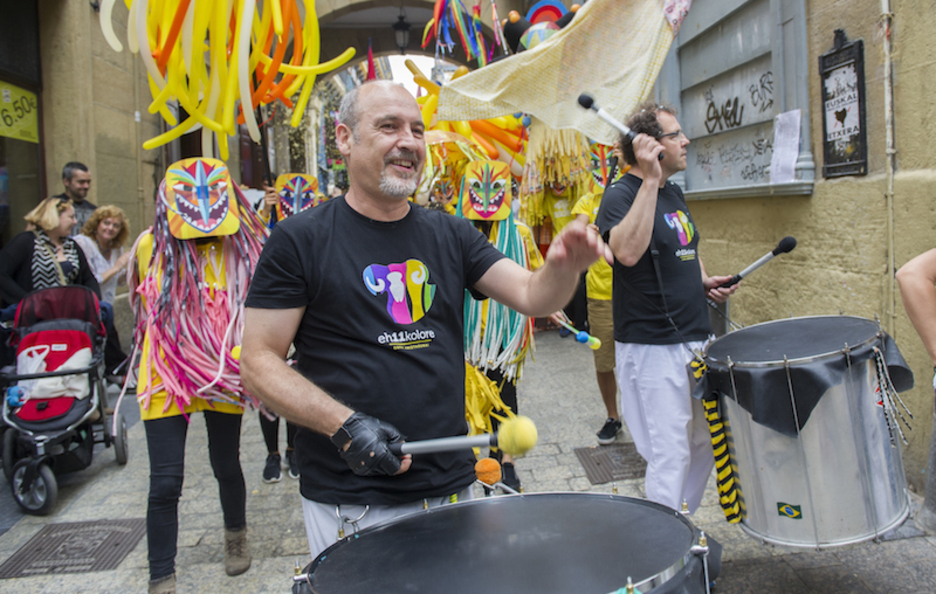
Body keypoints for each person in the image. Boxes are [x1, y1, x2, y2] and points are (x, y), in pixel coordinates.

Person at [240, 80, 609, 560]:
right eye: (388, 126)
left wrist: (563, 267)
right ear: (345, 138)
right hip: (350, 502)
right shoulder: (298, 240)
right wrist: (345, 425)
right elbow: (258, 360)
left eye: (417, 129)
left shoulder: (450, 233)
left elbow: (532, 295)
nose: (409, 141)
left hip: (451, 487)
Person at [595, 102, 737, 514]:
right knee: (669, 452)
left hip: (695, 338)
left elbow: (686, 248)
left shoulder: (674, 193)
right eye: (675, 135)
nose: (685, 141)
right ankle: (662, 557)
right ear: (650, 147)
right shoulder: (621, 195)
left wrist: (704, 282)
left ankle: (680, 528)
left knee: (706, 441)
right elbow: (626, 252)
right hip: (652, 347)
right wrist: (650, 181)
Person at [132, 158, 267, 594]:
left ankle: (235, 537)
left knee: (226, 463)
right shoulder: (149, 246)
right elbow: (146, 309)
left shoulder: (243, 248)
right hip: (165, 373)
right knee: (165, 480)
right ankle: (160, 573)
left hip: (220, 372)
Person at [572, 188, 622, 445]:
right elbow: (577, 230)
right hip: (600, 295)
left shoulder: (634, 192)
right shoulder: (588, 198)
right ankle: (613, 416)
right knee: (603, 361)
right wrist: (584, 233)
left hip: (635, 293)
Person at [0, 197, 101, 313]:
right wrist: (28, 303)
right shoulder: (26, 242)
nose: (75, 222)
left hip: (67, 315)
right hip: (33, 319)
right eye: (71, 217)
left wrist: (94, 303)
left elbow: (88, 279)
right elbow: (2, 275)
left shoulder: (72, 245)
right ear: (54, 217)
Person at [73, 206, 131, 378]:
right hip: (88, 303)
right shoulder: (83, 243)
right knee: (103, 343)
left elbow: (119, 281)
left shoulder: (115, 248)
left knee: (109, 341)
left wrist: (130, 269)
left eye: (116, 225)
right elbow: (93, 279)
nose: (110, 228)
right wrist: (117, 267)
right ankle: (113, 374)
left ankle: (113, 374)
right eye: (106, 223)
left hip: (106, 305)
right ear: (96, 224)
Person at [52, 162, 97, 235]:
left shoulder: (93, 210)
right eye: (81, 182)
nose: (86, 186)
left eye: (88, 182)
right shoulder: (52, 206)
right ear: (66, 182)